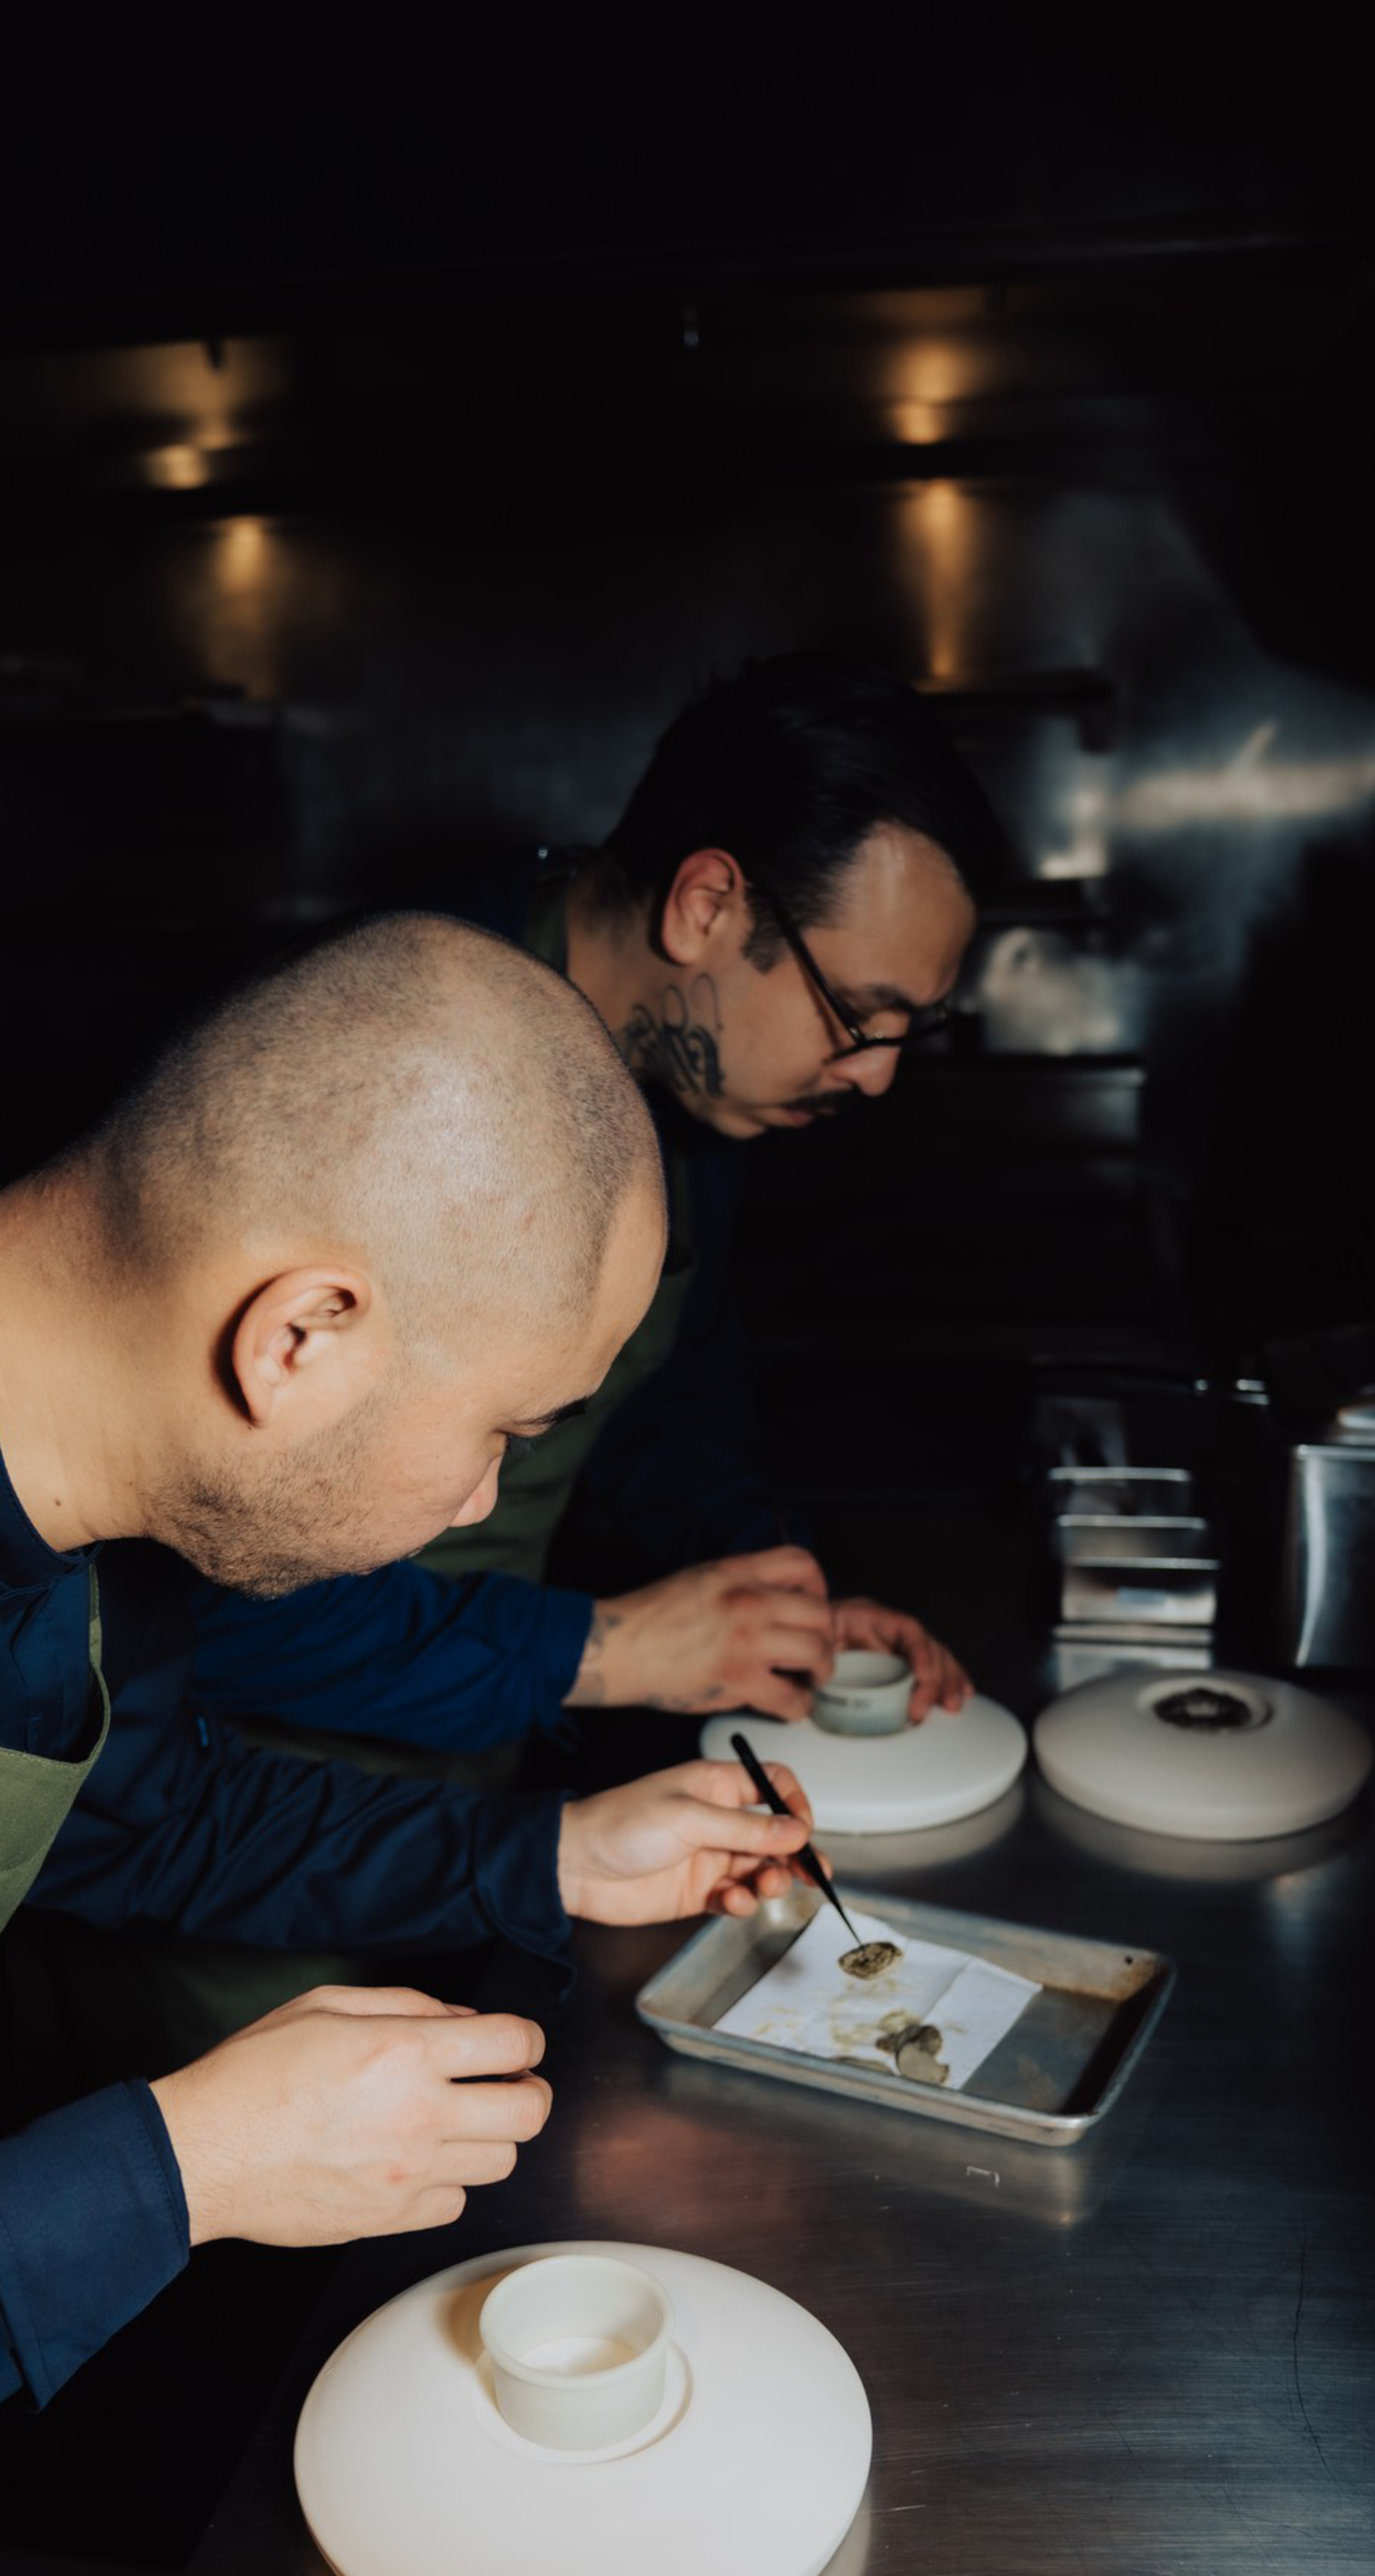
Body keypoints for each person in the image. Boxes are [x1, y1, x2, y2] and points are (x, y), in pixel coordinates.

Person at [0, 913, 815, 2521]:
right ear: (303, 1336)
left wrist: (550, 1856)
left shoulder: (54, 1432)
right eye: (501, 1432)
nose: (489, 1495)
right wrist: (188, 2166)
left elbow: (144, 1818)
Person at [70, 656, 1001, 2061]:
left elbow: (668, 1390)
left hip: (487, 1808)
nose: (875, 1072)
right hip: (228, 1856)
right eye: (858, 1012)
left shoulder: (705, 1093)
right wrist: (607, 1646)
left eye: (910, 1031)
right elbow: (206, 1600)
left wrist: (760, 1593)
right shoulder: (386, 1070)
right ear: (707, 905)